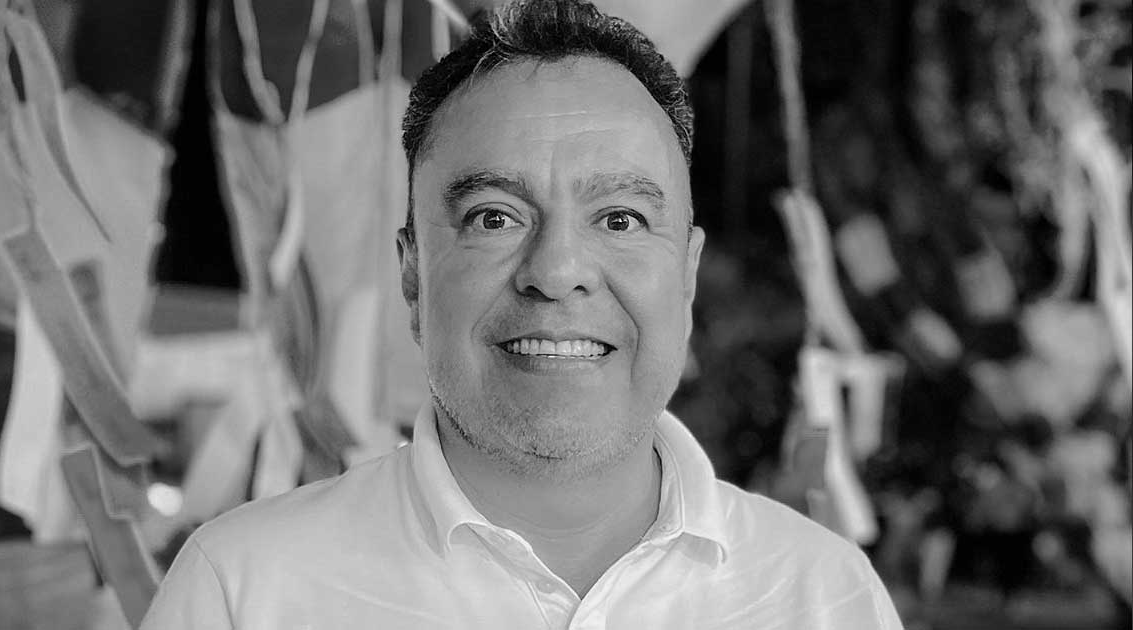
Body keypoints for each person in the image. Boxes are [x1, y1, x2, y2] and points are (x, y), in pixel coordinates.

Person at [140, 1, 904, 627]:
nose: (557, 273)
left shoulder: (825, 598)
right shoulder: (241, 591)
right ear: (412, 273)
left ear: (688, 274)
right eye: (495, 217)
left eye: (620, 220)